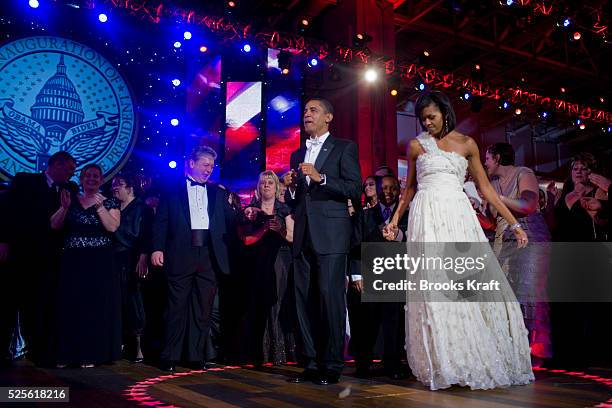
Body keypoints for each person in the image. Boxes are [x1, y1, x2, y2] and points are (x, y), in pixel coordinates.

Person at [384, 91, 534, 390]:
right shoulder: (416, 145)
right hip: (426, 218)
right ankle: (444, 361)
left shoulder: (467, 144)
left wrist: (514, 222)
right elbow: (410, 189)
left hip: (458, 217)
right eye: (423, 118)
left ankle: (474, 354)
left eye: (432, 116)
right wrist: (394, 220)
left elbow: (486, 190)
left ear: (445, 111)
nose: (427, 123)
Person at [282, 97, 362, 385]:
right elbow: (296, 202)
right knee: (304, 302)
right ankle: (312, 362)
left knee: (330, 300)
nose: (306, 114)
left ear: (329, 117)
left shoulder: (344, 147)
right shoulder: (296, 154)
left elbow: (354, 187)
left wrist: (321, 177)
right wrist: (290, 188)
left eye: (313, 110)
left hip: (331, 235)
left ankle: (332, 364)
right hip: (303, 235)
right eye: (304, 111)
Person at [151, 145, 237, 372]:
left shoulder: (217, 192)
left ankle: (195, 356)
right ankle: (170, 355)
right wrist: (157, 248)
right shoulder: (172, 189)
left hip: (208, 254)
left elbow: (231, 220)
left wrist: (248, 214)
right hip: (181, 251)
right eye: (205, 164)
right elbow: (161, 221)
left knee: (202, 309)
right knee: (176, 307)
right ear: (191, 163)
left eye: (211, 166)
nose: (209, 169)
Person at [0, 151, 77, 366]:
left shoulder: (69, 189)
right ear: (58, 165)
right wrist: (3, 241)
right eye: (70, 168)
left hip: (49, 258)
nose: (73, 173)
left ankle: (38, 351)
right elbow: (6, 211)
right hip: (19, 254)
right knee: (9, 302)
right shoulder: (25, 181)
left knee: (39, 305)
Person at [485, 142, 552, 365]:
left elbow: (529, 204)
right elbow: (493, 222)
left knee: (529, 291)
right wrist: (474, 210)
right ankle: (512, 348)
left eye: (487, 158)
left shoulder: (523, 173)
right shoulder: (491, 183)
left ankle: (535, 352)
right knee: (504, 293)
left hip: (529, 233)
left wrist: (500, 200)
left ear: (496, 157)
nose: (485, 162)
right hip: (504, 237)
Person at [51, 164, 121, 368]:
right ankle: (67, 354)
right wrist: (64, 208)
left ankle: (90, 354)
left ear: (101, 180)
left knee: (93, 308)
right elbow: (54, 225)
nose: (91, 179)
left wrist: (100, 207)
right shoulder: (70, 201)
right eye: (87, 175)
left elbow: (113, 227)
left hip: (99, 262)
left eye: (96, 176)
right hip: (74, 260)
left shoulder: (110, 202)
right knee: (71, 306)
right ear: (81, 179)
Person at [348, 175, 410, 380]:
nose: (388, 192)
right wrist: (356, 274)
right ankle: (363, 365)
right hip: (369, 275)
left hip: (397, 276)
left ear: (399, 191)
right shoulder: (365, 216)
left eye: (392, 188)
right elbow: (354, 246)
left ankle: (392, 365)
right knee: (367, 323)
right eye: (384, 188)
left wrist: (399, 235)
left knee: (394, 323)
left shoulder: (407, 216)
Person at [239, 171, 295, 365]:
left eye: (270, 182)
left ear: (276, 186)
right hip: (256, 260)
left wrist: (279, 229)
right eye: (263, 183)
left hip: (280, 257)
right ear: (258, 187)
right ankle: (259, 353)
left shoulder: (284, 209)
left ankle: (278, 351)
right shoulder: (251, 210)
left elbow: (292, 237)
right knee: (258, 303)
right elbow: (245, 238)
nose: (267, 185)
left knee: (277, 301)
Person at [112, 173, 154, 363]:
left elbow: (145, 235)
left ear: (130, 187)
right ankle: (117, 342)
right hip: (114, 259)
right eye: (113, 184)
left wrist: (144, 256)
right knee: (117, 301)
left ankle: (138, 347)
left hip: (132, 259)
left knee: (134, 301)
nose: (115, 188)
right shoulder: (112, 207)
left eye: (119, 184)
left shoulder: (141, 208)